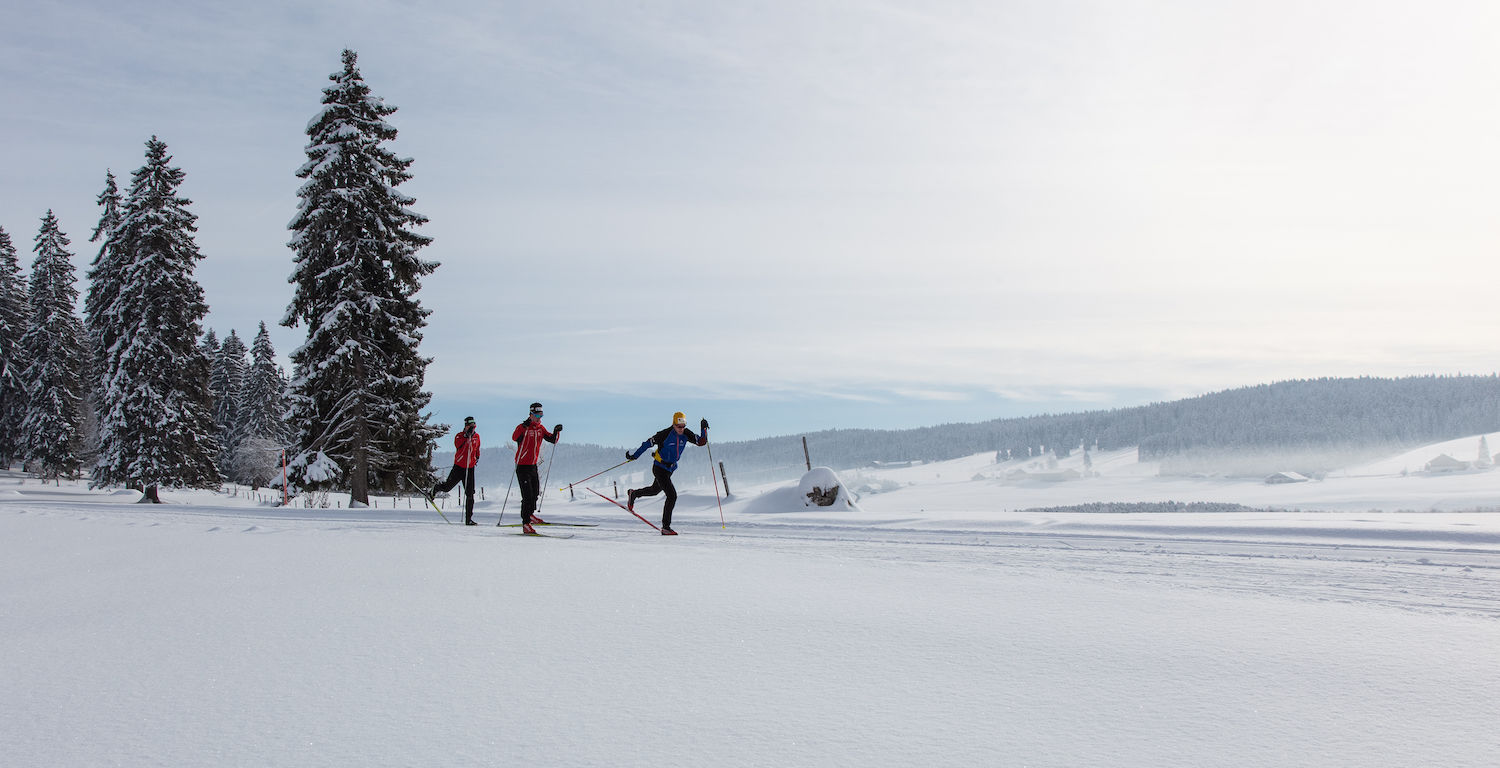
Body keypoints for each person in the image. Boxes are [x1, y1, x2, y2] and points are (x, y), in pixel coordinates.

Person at [626, 411, 708, 535]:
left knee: (654, 490)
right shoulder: (664, 434)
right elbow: (647, 444)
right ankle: (666, 527)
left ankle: (634, 494)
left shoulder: (686, 433)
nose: (681, 429)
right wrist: (635, 456)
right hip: (659, 468)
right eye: (678, 426)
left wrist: (704, 428)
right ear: (673, 424)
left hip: (670, 470)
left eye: (683, 426)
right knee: (672, 495)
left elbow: (701, 442)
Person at [512, 402, 562, 535]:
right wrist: (523, 426)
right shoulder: (524, 427)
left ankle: (530, 515)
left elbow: (552, 440)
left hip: (533, 466)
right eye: (537, 415)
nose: (539, 418)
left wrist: (556, 431)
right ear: (531, 415)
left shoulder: (540, 428)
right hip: (522, 466)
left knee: (535, 494)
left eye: (541, 415)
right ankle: (526, 523)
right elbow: (514, 437)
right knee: (527, 496)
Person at [434, 416, 481, 525]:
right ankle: (435, 488)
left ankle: (469, 519)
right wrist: (466, 437)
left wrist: (477, 457)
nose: (472, 428)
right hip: (459, 467)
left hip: (470, 468)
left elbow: (477, 448)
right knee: (447, 487)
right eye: (470, 426)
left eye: (473, 426)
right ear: (465, 426)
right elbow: (458, 445)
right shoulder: (459, 436)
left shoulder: (477, 437)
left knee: (470, 494)